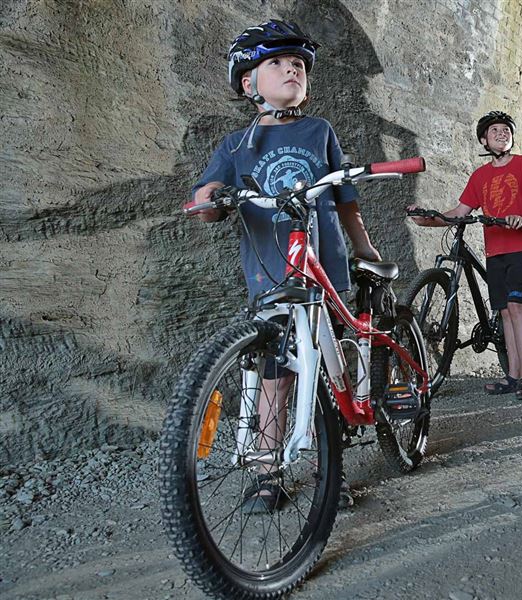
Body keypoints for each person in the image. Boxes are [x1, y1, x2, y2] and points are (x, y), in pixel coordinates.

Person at [189, 20, 381, 512]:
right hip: (271, 270)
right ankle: (265, 469)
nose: (291, 68)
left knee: (328, 364)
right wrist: (208, 199)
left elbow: (344, 198)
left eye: (298, 64)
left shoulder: (320, 131)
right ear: (248, 82)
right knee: (274, 370)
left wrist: (363, 247)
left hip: (326, 265)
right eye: (276, 62)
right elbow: (207, 197)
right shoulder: (235, 145)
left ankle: (328, 468)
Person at [407, 111, 522, 400]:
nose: (501, 134)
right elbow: (459, 213)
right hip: (495, 249)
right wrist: (427, 220)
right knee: (505, 312)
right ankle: (512, 375)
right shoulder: (480, 176)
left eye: (506, 130)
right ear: (484, 140)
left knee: (518, 306)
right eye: (494, 130)